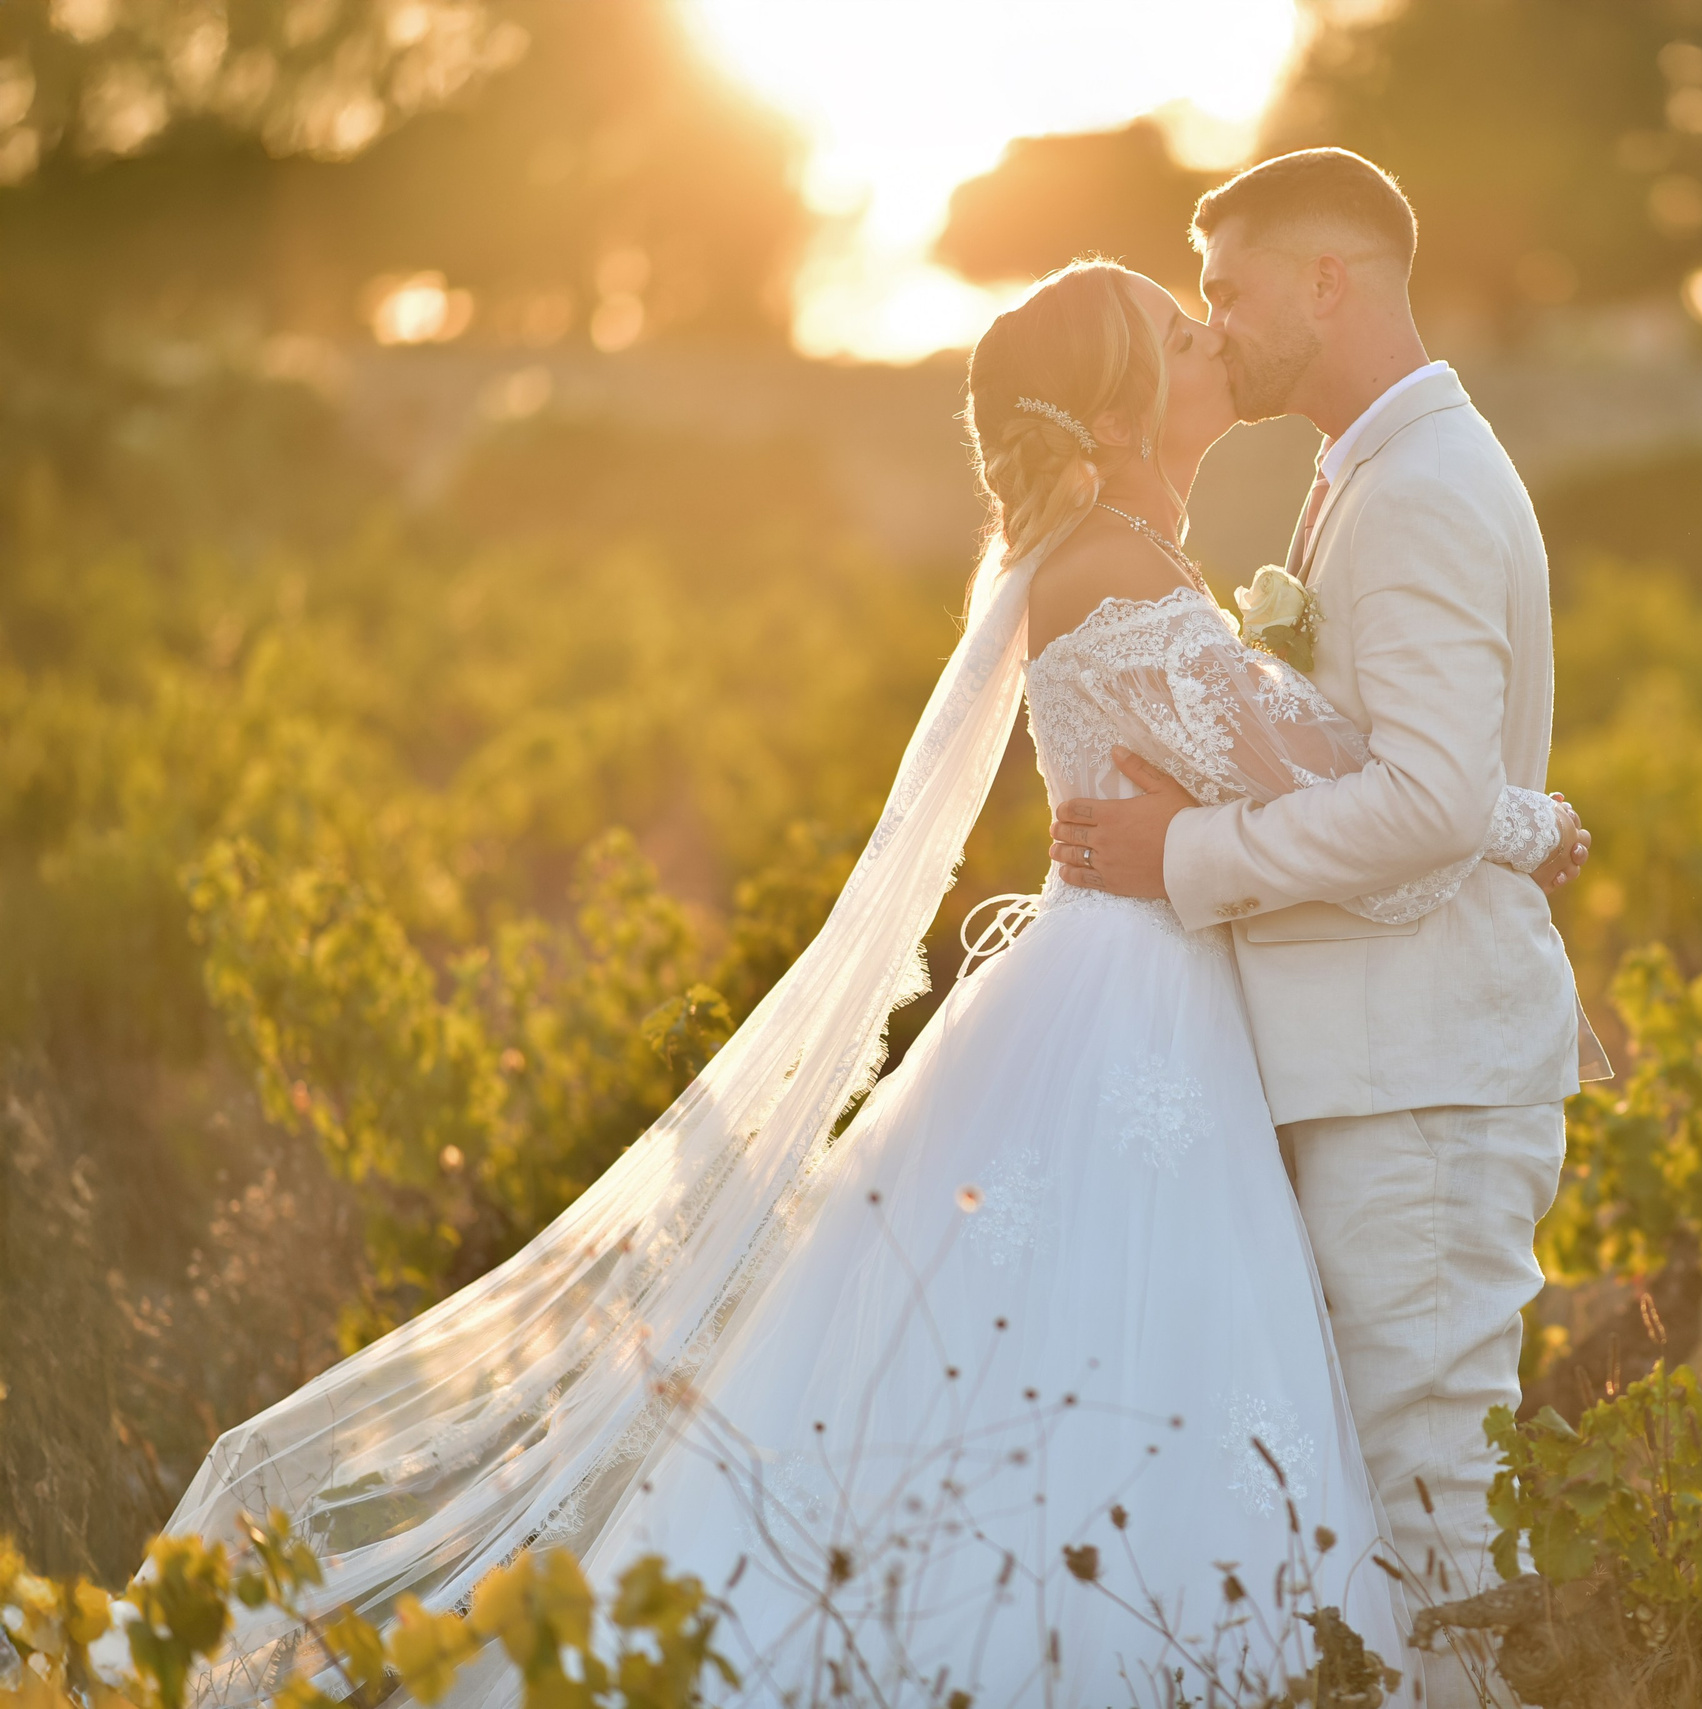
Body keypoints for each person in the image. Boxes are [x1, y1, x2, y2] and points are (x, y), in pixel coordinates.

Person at [161, 256, 1583, 1708]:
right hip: (1133, 1010)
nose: (1210, 333)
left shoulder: (1128, 562)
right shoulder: (1117, 570)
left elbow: (1302, 775)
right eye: (1176, 327)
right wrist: (1524, 819)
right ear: (1120, 407)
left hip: (1143, 991)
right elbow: (1343, 776)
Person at [1048, 149, 1603, 1707]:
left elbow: (1427, 804)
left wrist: (1187, 855)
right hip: (1381, 1061)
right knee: (1393, 1505)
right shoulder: (1373, 464)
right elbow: (1433, 783)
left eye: (1228, 288)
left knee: (1431, 1508)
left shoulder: (1420, 484)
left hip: (1416, 1075)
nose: (1214, 324)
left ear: (1328, 280)